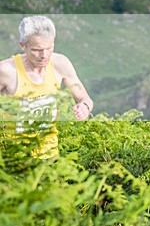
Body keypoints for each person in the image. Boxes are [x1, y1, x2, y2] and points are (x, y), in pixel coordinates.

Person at [0, 15, 93, 160]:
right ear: (23, 45)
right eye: (37, 50)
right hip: (13, 157)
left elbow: (85, 98)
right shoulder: (6, 71)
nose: (44, 55)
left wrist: (84, 107)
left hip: (49, 154)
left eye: (49, 48)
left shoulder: (60, 63)